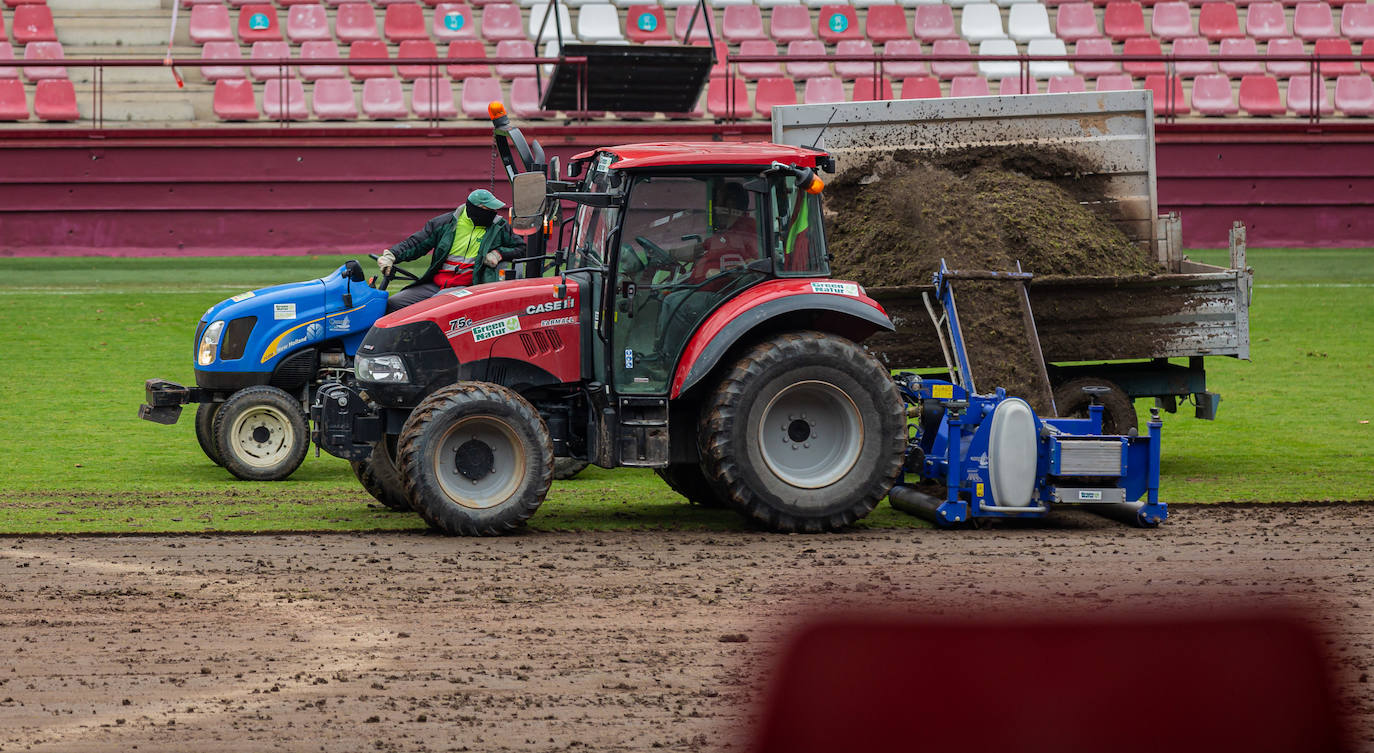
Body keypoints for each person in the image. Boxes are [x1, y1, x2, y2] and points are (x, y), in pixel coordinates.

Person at [378, 189, 525, 313]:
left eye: (494, 210)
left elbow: (521, 249)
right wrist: (392, 255)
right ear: (473, 208)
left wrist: (498, 254)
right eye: (489, 210)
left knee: (434, 307)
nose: (493, 213)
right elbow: (416, 243)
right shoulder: (444, 223)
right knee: (394, 303)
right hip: (435, 283)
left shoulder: (499, 226)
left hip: (470, 286)